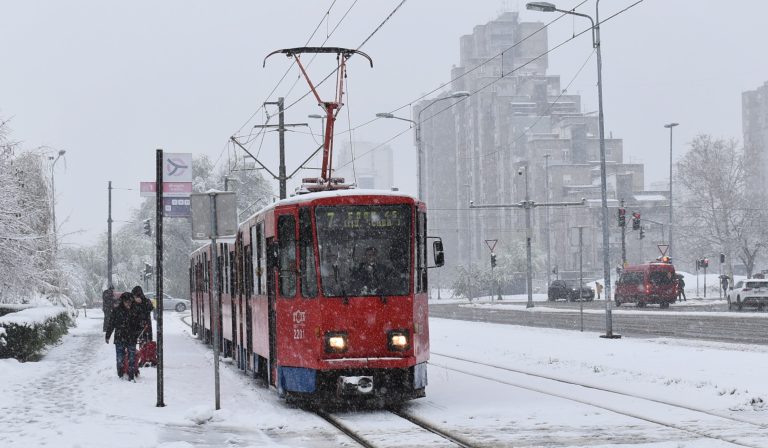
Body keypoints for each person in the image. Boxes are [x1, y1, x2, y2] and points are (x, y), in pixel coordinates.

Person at [105, 292, 143, 381]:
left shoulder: (135, 310)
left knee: (132, 358)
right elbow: (111, 324)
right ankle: (121, 374)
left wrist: (137, 334)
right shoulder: (117, 311)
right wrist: (108, 335)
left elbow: (140, 324)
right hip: (120, 337)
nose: (128, 303)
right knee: (120, 358)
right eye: (126, 301)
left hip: (131, 338)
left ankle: (131, 375)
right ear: (122, 301)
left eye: (130, 301)